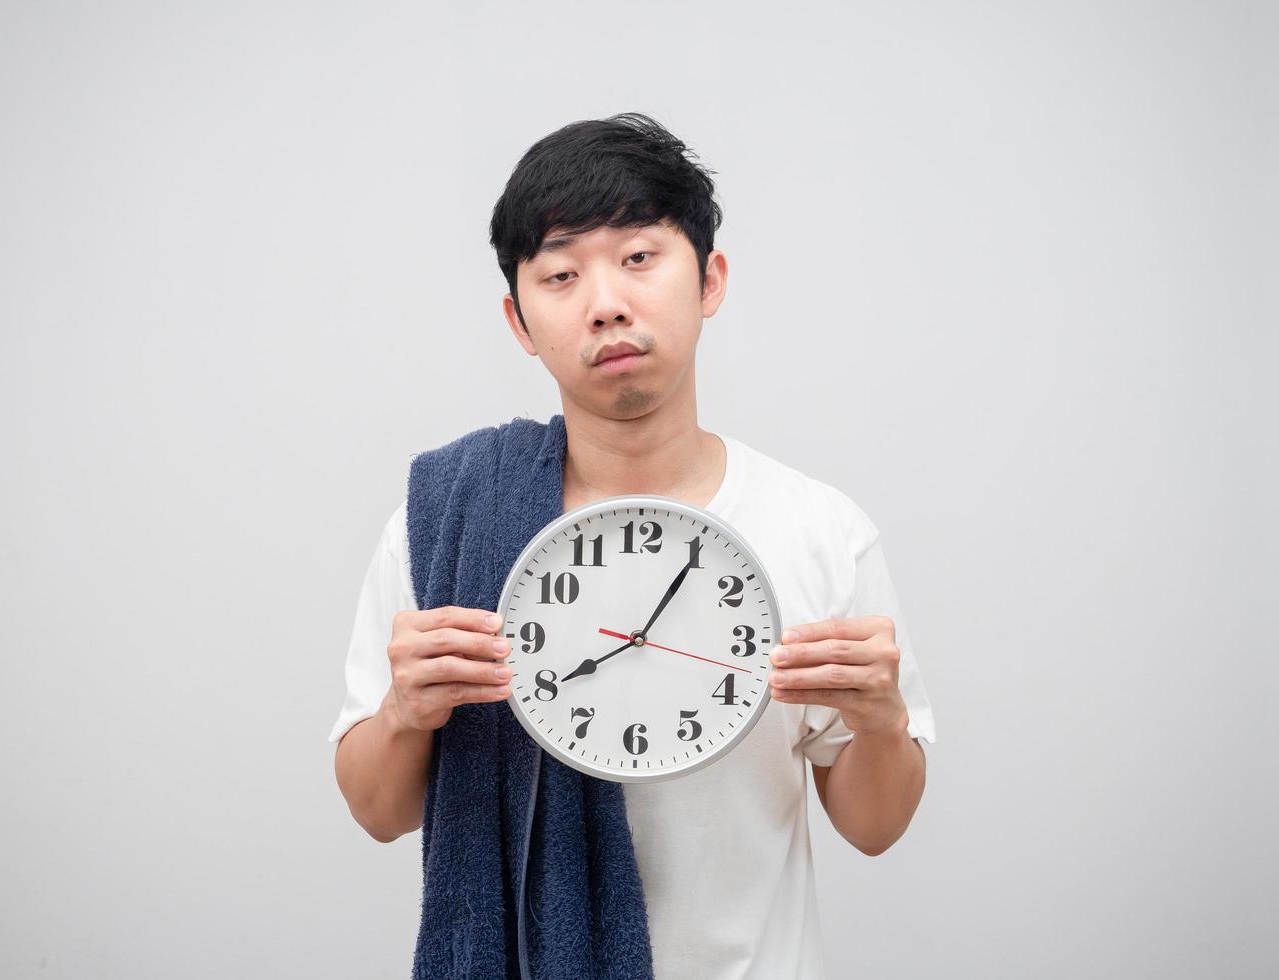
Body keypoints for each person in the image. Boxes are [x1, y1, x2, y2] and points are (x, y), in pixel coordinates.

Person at [329, 111, 937, 979]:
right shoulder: (443, 525)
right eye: (562, 272)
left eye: (640, 258)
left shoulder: (819, 529)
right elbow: (378, 812)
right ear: (519, 320)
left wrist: (880, 725)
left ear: (710, 278)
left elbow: (874, 828)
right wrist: (404, 713)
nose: (606, 301)